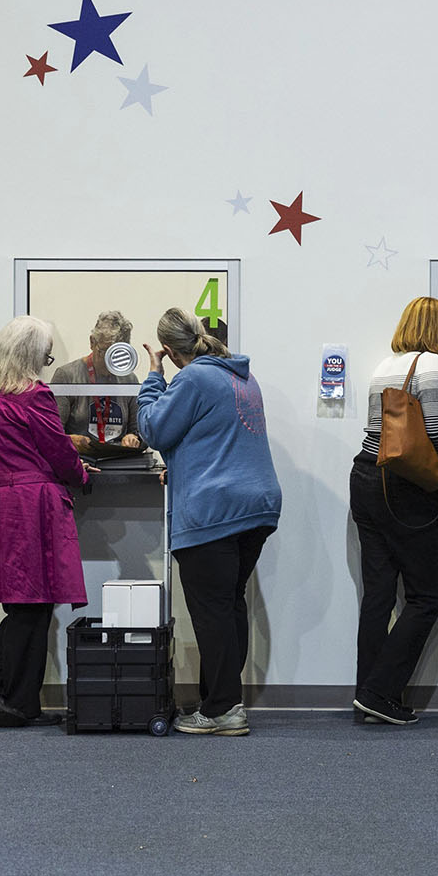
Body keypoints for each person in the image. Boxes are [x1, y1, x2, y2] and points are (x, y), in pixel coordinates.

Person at [138, 308, 281, 735]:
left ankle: (222, 709)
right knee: (230, 603)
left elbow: (154, 429)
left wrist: (152, 375)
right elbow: (218, 436)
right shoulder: (241, 376)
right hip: (256, 505)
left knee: (213, 610)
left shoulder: (193, 377)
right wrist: (183, 465)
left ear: (168, 348)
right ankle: (221, 701)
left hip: (213, 511)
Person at [0, 316, 92, 727]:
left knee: (23, 603)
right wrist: (83, 474)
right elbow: (57, 450)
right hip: (31, 506)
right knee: (33, 606)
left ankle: (17, 699)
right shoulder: (33, 396)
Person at [350, 297, 438, 726]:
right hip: (403, 488)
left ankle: (368, 694)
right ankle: (380, 691)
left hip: (365, 478)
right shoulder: (432, 364)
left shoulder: (386, 365)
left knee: (379, 596)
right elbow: (437, 428)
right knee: (426, 597)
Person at [52, 310, 143, 454]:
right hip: (79, 461)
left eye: (117, 355)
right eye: (105, 353)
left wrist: (132, 437)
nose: (110, 363)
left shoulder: (129, 380)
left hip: (117, 462)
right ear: (92, 342)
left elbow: (137, 431)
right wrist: (69, 440)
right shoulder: (67, 376)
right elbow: (51, 435)